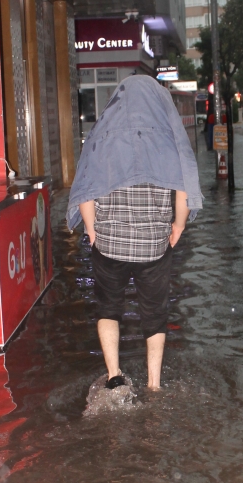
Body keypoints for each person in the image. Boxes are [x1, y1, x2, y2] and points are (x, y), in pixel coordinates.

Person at [67, 75, 202, 390]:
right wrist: (178, 226)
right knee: (154, 314)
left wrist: (91, 230)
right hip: (153, 244)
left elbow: (86, 189)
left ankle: (114, 375)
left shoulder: (102, 137)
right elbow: (183, 189)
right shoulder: (166, 139)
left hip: (109, 242)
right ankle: (154, 384)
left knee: (108, 308)